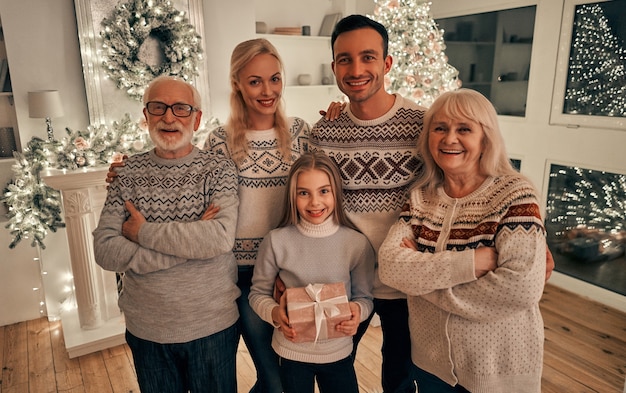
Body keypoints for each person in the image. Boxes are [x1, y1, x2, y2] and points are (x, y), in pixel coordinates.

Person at [378, 88, 546, 393]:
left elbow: (521, 288)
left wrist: (421, 285)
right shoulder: (420, 198)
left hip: (496, 371)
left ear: (486, 138)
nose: (449, 138)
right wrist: (468, 264)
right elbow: (390, 267)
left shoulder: (514, 194)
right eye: (439, 128)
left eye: (464, 129)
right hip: (430, 366)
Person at [93, 75, 240, 393]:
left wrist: (142, 231)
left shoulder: (219, 170)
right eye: (158, 107)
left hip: (212, 325)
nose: (169, 117)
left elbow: (219, 238)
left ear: (197, 118)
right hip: (148, 328)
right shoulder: (126, 174)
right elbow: (105, 249)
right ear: (146, 117)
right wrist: (190, 241)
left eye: (181, 108)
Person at [308, 14, 425, 393]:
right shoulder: (324, 132)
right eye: (345, 59)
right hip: (342, 281)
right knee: (332, 374)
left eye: (368, 57)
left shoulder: (424, 125)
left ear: (387, 63)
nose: (356, 69)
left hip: (407, 285)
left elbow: (479, 170)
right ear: (334, 67)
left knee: (401, 379)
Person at [202, 38, 309, 393]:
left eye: (274, 79)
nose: (268, 91)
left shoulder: (299, 132)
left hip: (295, 269)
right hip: (243, 274)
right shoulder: (219, 142)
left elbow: (320, 192)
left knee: (293, 376)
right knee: (273, 378)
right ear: (236, 83)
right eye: (255, 81)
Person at [248, 151, 375, 393]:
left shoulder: (356, 244)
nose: (315, 202)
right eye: (304, 193)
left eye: (324, 191)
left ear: (336, 192)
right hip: (291, 352)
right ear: (292, 197)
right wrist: (275, 313)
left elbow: (365, 298)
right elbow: (257, 294)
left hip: (338, 353)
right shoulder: (276, 241)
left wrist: (358, 312)